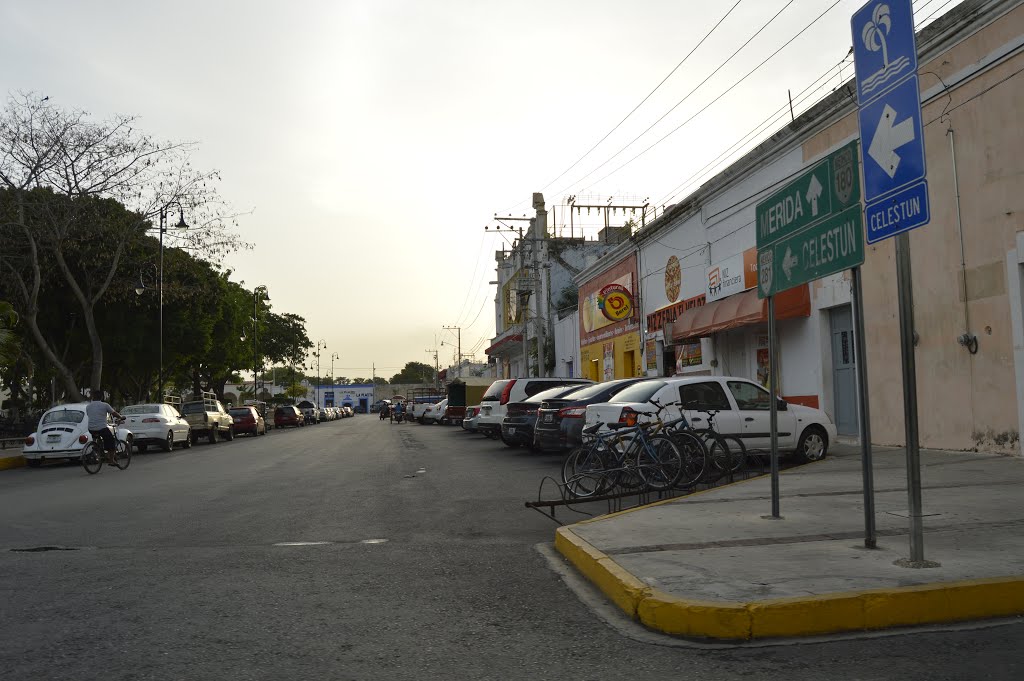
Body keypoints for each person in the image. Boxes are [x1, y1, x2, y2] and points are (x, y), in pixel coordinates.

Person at [86, 392, 122, 462]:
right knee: (111, 441)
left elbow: (90, 415)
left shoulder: (88, 406)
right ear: (102, 398)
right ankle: (111, 460)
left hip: (91, 429)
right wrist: (120, 417)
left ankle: (99, 448)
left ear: (93, 397)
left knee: (103, 437)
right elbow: (114, 413)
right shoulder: (105, 405)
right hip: (101, 428)